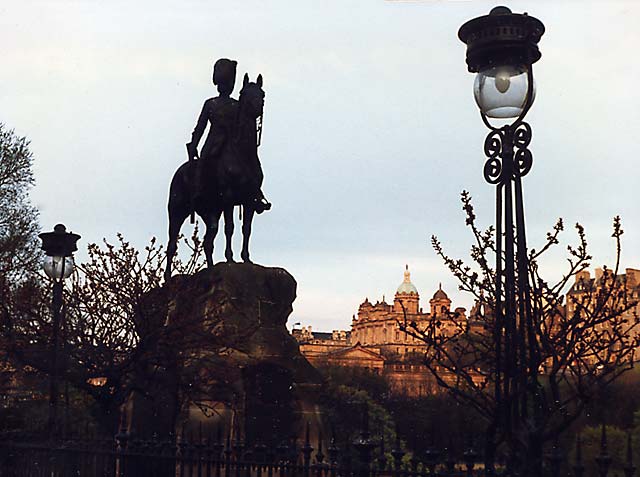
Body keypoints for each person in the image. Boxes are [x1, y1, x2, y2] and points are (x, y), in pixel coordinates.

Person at [187, 58, 270, 213]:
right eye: (226, 83)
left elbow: (244, 125)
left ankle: (255, 193)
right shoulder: (210, 104)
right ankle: (199, 191)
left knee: (250, 166)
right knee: (204, 163)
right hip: (214, 143)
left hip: (233, 143)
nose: (228, 87)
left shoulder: (237, 105)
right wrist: (194, 144)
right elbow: (200, 127)